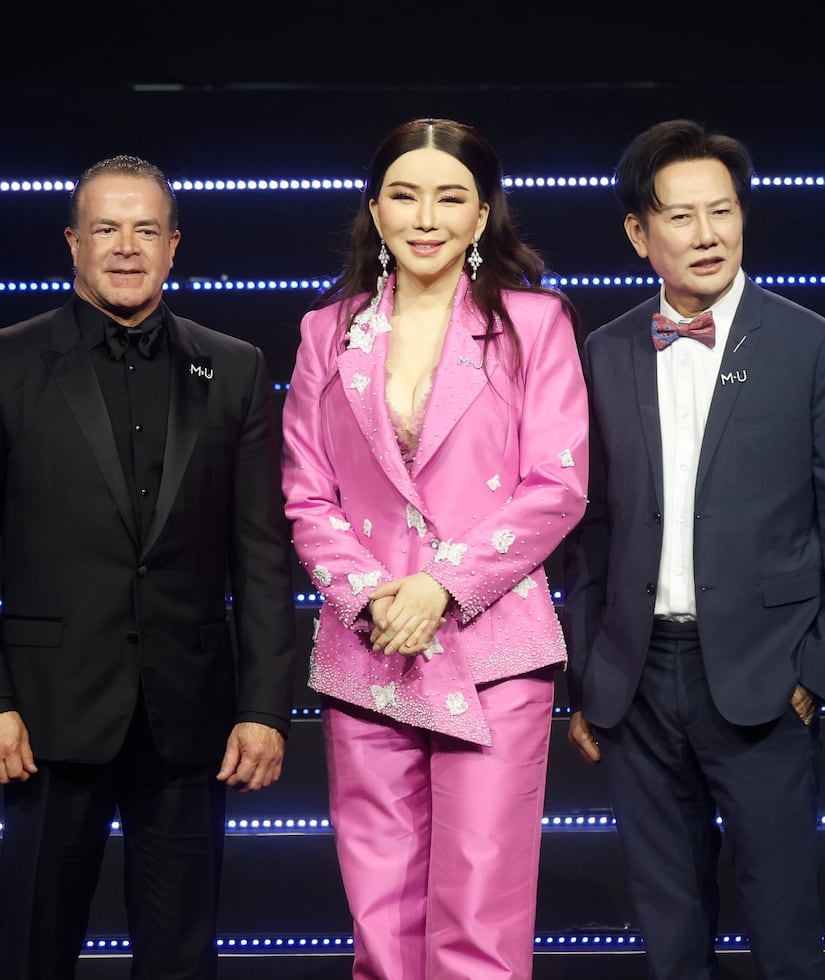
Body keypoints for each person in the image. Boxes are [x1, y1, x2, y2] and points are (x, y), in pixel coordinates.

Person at [0, 154, 298, 979]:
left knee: (180, 958)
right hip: (42, 717)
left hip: (192, 716)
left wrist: (265, 708)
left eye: (146, 229)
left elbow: (261, 552)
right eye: (106, 228)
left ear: (175, 246)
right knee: (33, 950)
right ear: (73, 242)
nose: (126, 247)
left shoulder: (235, 366)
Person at [563, 118, 825, 979]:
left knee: (784, 932)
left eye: (724, 212)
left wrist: (817, 676)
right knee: (669, 938)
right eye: (680, 216)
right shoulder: (602, 352)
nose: (707, 236)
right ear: (639, 233)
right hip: (635, 686)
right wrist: (588, 679)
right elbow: (588, 533)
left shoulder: (812, 345)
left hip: (765, 680)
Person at [280, 117, 588, 979]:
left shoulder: (534, 323)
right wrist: (379, 596)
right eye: (405, 196)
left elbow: (557, 485)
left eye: (450, 197)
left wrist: (439, 590)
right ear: (375, 213)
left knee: (480, 906)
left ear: (482, 215)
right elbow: (307, 492)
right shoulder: (325, 332)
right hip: (368, 640)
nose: (426, 216)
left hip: (492, 646)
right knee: (379, 909)